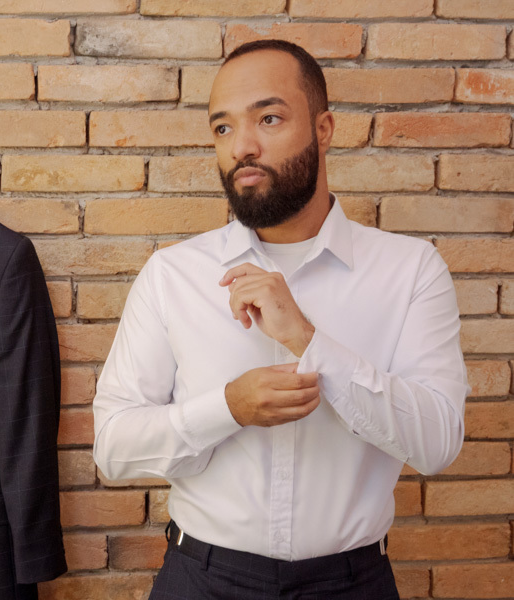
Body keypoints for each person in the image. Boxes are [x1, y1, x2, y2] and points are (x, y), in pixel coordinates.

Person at [92, 39, 469, 599]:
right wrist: (229, 408)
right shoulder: (173, 275)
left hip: (351, 583)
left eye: (268, 118)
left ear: (324, 129)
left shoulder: (410, 270)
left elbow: (438, 444)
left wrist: (309, 341)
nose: (242, 146)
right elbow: (113, 450)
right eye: (222, 128)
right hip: (202, 579)